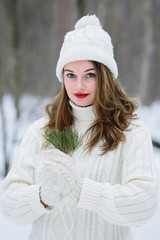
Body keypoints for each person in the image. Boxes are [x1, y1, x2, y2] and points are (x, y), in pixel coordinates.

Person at [0, 15, 158, 240]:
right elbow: (9, 200)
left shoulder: (130, 131)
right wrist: (43, 196)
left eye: (90, 75)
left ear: (105, 77)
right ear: (62, 77)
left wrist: (81, 191)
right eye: (70, 75)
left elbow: (145, 202)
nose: (79, 85)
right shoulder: (42, 131)